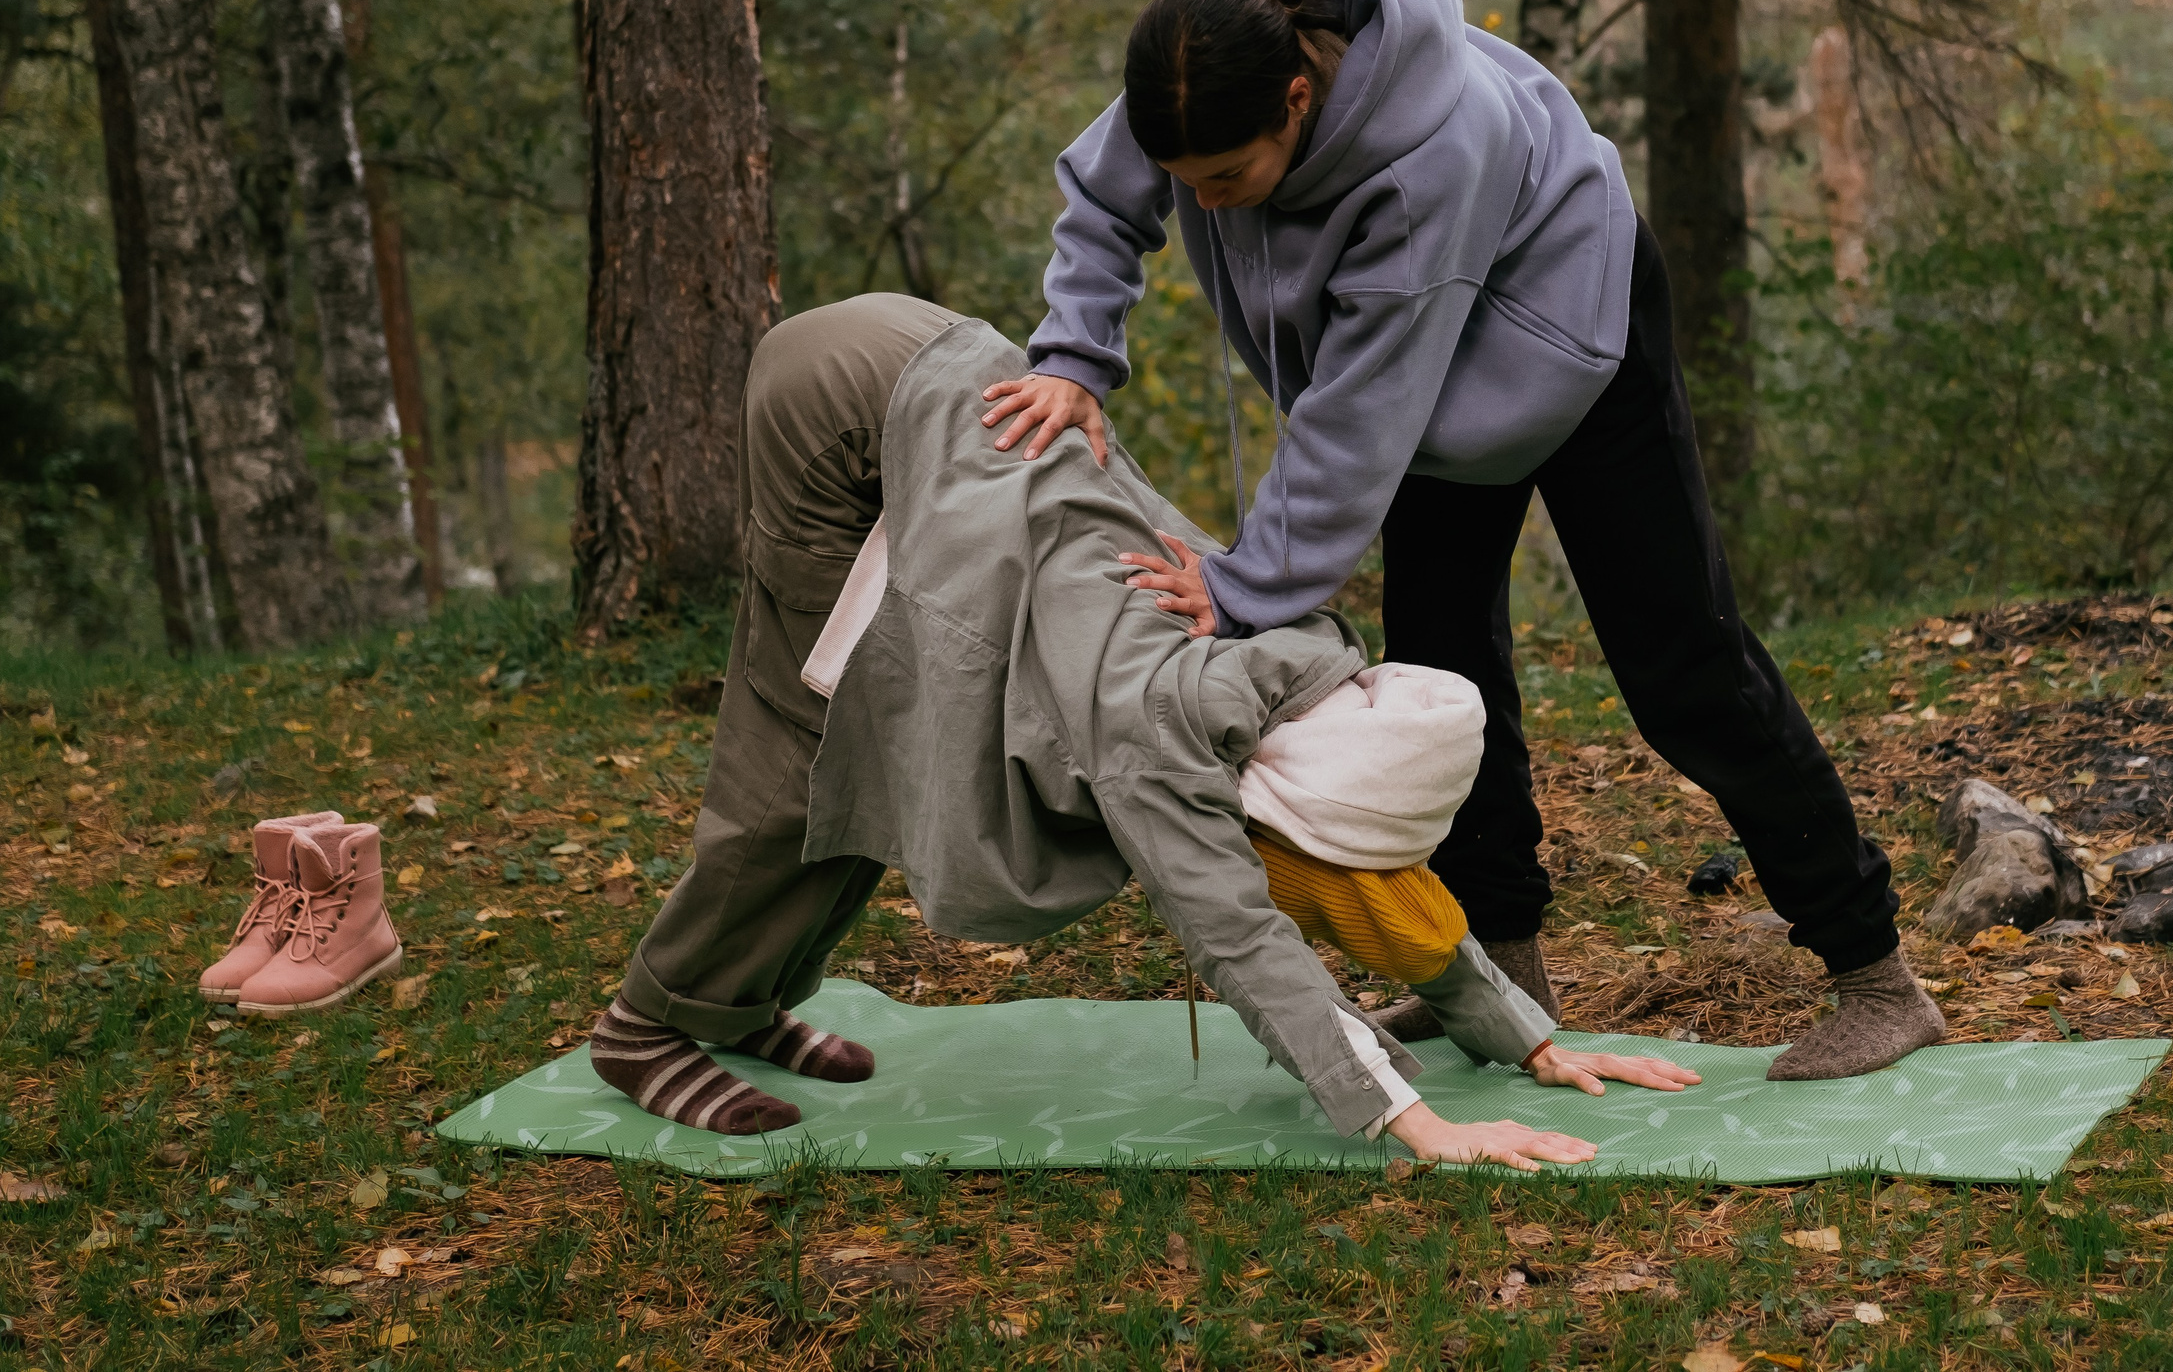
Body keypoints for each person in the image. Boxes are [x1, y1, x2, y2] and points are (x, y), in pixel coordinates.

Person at [982, 0, 1946, 1081]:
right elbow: (1105, 194)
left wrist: (1243, 587)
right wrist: (1074, 354)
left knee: (1683, 665)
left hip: (1576, 333)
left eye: (1226, 178)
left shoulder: (1428, 154)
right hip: (1421, 363)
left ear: (1297, 100)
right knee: (1441, 675)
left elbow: (1355, 413)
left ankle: (1875, 975)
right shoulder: (1208, 59)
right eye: (1183, 179)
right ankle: (1500, 971)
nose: (1200, 203)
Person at [586, 293, 1697, 1166]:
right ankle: (648, 1024)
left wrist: (1524, 1035)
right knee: (819, 741)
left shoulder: (1309, 673)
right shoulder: (1158, 728)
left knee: (871, 745)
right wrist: (1419, 1123)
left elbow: (1371, 880)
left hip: (939, 364)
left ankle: (737, 1001)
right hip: (833, 411)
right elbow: (1241, 937)